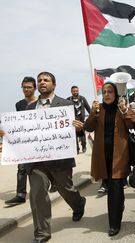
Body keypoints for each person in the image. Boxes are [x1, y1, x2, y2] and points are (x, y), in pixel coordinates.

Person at [0, 72, 86, 243]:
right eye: (39, 80)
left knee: (66, 189)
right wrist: (6, 133)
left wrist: (77, 127)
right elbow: (22, 133)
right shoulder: (29, 109)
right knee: (37, 194)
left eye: (46, 80)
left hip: (60, 160)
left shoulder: (66, 105)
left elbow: (79, 128)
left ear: (54, 84)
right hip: (36, 161)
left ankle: (78, 204)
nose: (42, 82)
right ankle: (41, 233)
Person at [84, 82, 135, 236]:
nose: (106, 94)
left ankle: (114, 224)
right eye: (104, 92)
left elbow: (132, 124)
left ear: (116, 94)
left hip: (119, 156)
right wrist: (93, 112)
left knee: (115, 189)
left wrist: (125, 110)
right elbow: (88, 127)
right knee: (112, 189)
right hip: (103, 156)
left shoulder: (122, 108)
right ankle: (118, 208)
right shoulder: (98, 109)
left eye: (110, 91)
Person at [5, 77, 37, 206]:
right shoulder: (19, 104)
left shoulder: (40, 103)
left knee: (44, 167)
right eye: (24, 87)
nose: (26, 89)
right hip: (25, 142)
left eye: (29, 87)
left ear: (34, 88)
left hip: (41, 142)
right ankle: (20, 195)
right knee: (22, 168)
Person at [67, 86, 91, 154]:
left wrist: (93, 116)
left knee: (82, 136)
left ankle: (84, 146)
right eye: (74, 91)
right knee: (74, 137)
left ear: (78, 91)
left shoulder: (82, 99)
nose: (75, 92)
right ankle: (76, 149)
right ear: (71, 92)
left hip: (81, 121)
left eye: (76, 91)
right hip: (73, 121)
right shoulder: (68, 100)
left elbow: (88, 108)